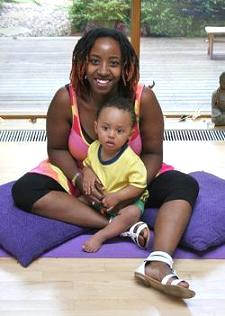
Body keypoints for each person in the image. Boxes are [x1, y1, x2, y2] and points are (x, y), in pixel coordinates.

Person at [12, 27, 199, 299]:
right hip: (81, 180)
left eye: (113, 63)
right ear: (82, 63)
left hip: (131, 181)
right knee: (25, 190)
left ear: (125, 66)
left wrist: (130, 191)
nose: (103, 70)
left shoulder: (142, 99)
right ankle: (122, 227)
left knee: (184, 184)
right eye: (94, 60)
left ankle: (158, 262)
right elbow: (56, 148)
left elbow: (153, 154)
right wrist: (79, 177)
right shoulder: (66, 99)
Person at [81, 96, 150, 252]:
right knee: (76, 202)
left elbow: (139, 186)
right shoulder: (94, 148)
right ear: (96, 127)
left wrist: (118, 197)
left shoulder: (131, 160)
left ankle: (101, 235)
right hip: (101, 199)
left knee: (132, 213)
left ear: (130, 134)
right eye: (105, 128)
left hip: (126, 201)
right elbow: (87, 164)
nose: (111, 135)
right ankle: (121, 227)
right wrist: (88, 172)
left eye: (119, 131)